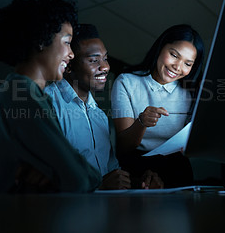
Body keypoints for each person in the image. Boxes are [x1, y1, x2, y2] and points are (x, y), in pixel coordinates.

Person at [0, 0, 102, 193]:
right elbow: (79, 178)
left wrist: (50, 173)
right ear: (42, 39)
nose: (72, 54)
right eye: (67, 42)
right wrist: (73, 174)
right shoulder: (22, 94)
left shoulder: (18, 91)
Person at [45, 24, 163, 189]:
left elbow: (110, 170)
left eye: (105, 58)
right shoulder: (47, 103)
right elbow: (42, 178)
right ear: (69, 64)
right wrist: (97, 186)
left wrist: (138, 182)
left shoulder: (98, 115)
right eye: (94, 60)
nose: (105, 67)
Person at [111, 24, 204, 188]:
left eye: (188, 64)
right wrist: (142, 123)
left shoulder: (191, 91)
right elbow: (125, 146)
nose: (178, 67)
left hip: (177, 167)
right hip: (137, 165)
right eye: (174, 55)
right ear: (161, 47)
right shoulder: (127, 82)